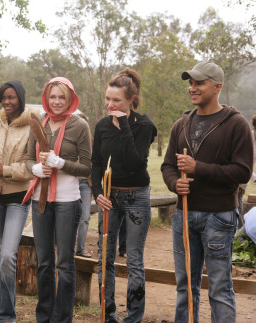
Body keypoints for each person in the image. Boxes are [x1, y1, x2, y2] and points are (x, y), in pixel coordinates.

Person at [161, 61, 254, 322]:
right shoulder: (182, 124)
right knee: (185, 286)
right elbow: (168, 165)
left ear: (217, 86)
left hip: (219, 217)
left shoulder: (236, 124)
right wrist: (173, 183)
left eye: (199, 83)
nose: (193, 88)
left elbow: (242, 172)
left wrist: (197, 168)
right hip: (183, 216)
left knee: (220, 288)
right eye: (191, 83)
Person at [24, 77, 92, 323]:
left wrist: (60, 163)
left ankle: (62, 318)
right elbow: (27, 159)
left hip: (67, 201)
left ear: (71, 99)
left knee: (64, 263)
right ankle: (44, 316)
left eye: (62, 97)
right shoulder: (37, 123)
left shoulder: (79, 126)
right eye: (52, 97)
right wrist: (35, 170)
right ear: (46, 98)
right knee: (44, 262)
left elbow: (86, 168)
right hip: (40, 201)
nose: (57, 102)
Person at [92, 68, 157, 323]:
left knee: (134, 259)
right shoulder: (101, 125)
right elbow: (96, 163)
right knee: (104, 257)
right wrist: (97, 193)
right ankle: (108, 314)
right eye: (108, 99)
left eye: (116, 100)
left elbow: (134, 163)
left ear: (131, 99)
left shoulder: (145, 126)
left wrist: (124, 126)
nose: (110, 105)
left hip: (136, 197)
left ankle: (133, 317)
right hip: (108, 197)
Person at [0, 81, 35, 323]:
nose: (7, 102)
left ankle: (8, 315)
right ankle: (0, 307)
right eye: (3, 97)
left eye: (11, 97)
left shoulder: (32, 126)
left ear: (20, 98)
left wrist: (6, 170)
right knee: (1, 255)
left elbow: (32, 167)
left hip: (18, 199)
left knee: (9, 255)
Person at [76, 113, 94, 258]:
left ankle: (80, 248)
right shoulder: (68, 141)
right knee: (68, 216)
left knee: (85, 216)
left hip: (86, 183)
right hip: (71, 182)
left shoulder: (92, 142)